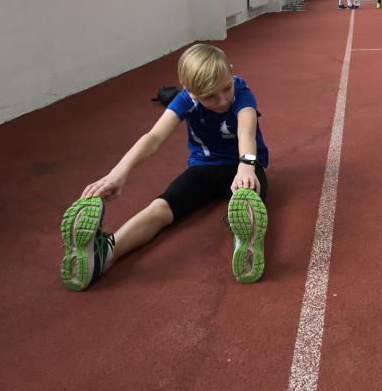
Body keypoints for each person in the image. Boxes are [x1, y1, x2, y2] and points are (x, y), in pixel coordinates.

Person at [59, 44, 270, 290]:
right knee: (160, 208)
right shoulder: (185, 101)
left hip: (244, 167)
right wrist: (118, 173)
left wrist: (247, 165)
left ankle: (243, 240)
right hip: (204, 169)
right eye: (210, 97)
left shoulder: (241, 92)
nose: (223, 100)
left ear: (230, 72)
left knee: (249, 199)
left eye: (226, 88)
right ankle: (104, 255)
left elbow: (246, 130)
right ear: (189, 91)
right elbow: (153, 137)